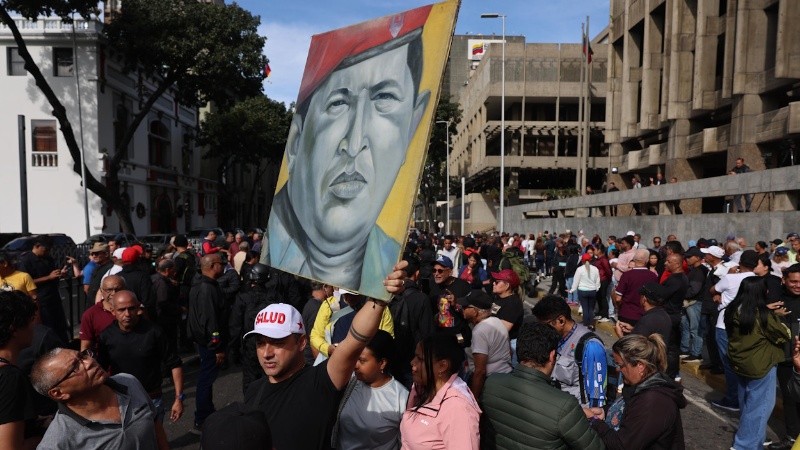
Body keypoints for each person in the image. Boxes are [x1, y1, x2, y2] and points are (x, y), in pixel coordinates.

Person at [265, 7, 433, 300]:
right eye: (338, 103)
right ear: (296, 141)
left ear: (411, 128)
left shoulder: (393, 268)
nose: (354, 144)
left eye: (384, 97)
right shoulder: (273, 274)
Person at [243, 259, 401, 450]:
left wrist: (379, 298)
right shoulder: (254, 391)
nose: (267, 353)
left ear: (301, 343)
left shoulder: (320, 382)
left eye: (278, 343)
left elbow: (355, 340)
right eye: (260, 343)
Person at [481, 322, 604, 449]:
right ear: (552, 356)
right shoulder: (565, 405)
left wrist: (577, 415)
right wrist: (593, 421)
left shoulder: (491, 383)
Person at [31, 348, 164, 450]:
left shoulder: (129, 382)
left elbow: (155, 424)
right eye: (75, 368)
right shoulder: (58, 441)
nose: (89, 362)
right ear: (58, 393)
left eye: (83, 355)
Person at [96, 290, 184, 440]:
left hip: (151, 400)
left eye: (131, 308)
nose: (127, 314)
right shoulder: (106, 337)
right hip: (120, 403)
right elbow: (100, 371)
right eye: (121, 310)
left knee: (152, 441)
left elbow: (174, 364)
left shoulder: (154, 332)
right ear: (113, 311)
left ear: (138, 308)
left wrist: (179, 398)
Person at [587, 333, 686, 449]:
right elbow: (628, 411)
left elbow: (622, 446)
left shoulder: (654, 401)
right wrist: (605, 412)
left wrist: (594, 421)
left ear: (640, 366)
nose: (618, 370)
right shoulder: (639, 387)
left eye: (620, 365)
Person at [724, 276, 790, 450]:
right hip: (761, 365)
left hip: (740, 363)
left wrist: (768, 312)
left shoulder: (732, 309)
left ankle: (751, 439)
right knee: (760, 409)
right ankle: (746, 445)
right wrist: (777, 318)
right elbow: (784, 335)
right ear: (762, 293)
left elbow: (751, 320)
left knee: (747, 404)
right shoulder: (763, 316)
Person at [399, 334, 481, 449]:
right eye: (414, 357)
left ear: (442, 366)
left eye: (420, 359)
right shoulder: (421, 389)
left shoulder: (458, 408)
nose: (412, 362)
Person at [333, 330, 408, 450]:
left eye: (362, 361)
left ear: (382, 363)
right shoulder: (348, 381)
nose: (355, 365)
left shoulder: (401, 399)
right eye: (355, 358)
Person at [532, 295, 607, 407]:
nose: (541, 330)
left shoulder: (590, 346)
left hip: (577, 413)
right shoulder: (554, 338)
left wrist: (594, 417)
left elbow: (597, 394)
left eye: (545, 326)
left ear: (561, 321)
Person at [709, 249, 759, 412]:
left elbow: (713, 290)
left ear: (740, 263)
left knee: (729, 364)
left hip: (725, 324)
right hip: (747, 324)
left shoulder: (730, 278)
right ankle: (740, 397)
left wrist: (719, 294)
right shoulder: (758, 281)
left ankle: (732, 399)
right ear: (757, 264)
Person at [187, 253, 228, 432]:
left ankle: (207, 412)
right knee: (206, 379)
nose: (224, 266)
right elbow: (210, 320)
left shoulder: (204, 285)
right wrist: (217, 346)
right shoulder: (206, 288)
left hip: (204, 341)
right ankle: (202, 417)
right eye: (222, 263)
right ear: (212, 266)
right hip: (209, 343)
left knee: (206, 378)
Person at [0, 291, 41, 450]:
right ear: (14, 329)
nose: (34, 326)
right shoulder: (10, 377)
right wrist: (50, 434)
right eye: (31, 320)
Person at [388, 258, 435, 388]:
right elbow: (428, 334)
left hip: (390, 358)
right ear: (417, 273)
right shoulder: (421, 299)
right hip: (412, 360)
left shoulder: (388, 295)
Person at [459, 290, 512, 398]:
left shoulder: (480, 331)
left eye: (465, 306)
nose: (462, 308)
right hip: (505, 377)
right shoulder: (497, 321)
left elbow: (480, 371)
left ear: (474, 311)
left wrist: (474, 399)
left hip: (489, 383)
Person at [16, 235, 69, 342]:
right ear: (37, 246)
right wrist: (48, 277)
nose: (47, 252)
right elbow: (26, 282)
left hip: (54, 298)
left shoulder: (48, 258)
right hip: (41, 300)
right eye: (45, 249)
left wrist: (59, 274)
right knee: (47, 329)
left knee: (60, 327)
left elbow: (53, 275)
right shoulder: (26, 260)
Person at [773, 264, 800, 450]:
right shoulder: (775, 300)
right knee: (790, 400)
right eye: (794, 281)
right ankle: (792, 437)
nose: (798, 285)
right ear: (784, 280)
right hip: (785, 360)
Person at [612, 249, 658, 327]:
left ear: (634, 259)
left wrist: (619, 307)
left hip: (626, 314)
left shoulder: (627, 275)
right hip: (645, 315)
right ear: (647, 260)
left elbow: (618, 298)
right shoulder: (653, 276)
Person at [79, 275, 125, 352]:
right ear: (101, 291)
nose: (113, 293)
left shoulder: (135, 310)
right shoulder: (90, 314)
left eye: (118, 289)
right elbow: (85, 347)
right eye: (109, 290)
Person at [680, 246, 709, 361]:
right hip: (691, 303)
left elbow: (694, 290)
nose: (686, 258)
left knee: (695, 329)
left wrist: (682, 294)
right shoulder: (695, 270)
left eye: (689, 256)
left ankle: (696, 353)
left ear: (697, 258)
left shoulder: (699, 271)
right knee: (686, 326)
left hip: (695, 303)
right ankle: (686, 349)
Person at [569, 253, 601, 328]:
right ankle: (591, 324)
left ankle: (586, 324)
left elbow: (576, 281)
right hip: (592, 291)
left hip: (582, 291)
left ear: (582, 261)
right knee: (590, 309)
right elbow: (598, 281)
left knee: (585, 308)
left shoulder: (579, 269)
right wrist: (596, 289)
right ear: (590, 260)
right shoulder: (595, 269)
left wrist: (571, 290)